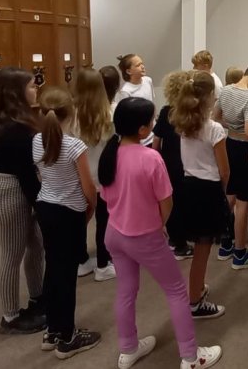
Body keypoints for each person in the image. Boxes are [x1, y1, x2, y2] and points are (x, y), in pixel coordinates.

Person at [99, 97, 224, 369]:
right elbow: (166, 202)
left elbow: (106, 197)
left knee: (125, 290)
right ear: (142, 129)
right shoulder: (150, 158)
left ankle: (128, 348)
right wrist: (159, 226)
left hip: (114, 234)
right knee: (176, 291)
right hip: (145, 236)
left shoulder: (110, 153)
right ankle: (191, 356)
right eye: (152, 120)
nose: (155, 123)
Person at [0, 67, 47, 335]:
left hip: (4, 188)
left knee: (36, 244)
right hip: (5, 194)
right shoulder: (16, 129)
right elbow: (27, 175)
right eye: (31, 86)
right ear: (17, 93)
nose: (36, 90)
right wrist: (42, 207)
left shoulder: (12, 121)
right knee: (11, 254)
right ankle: (11, 317)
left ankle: (38, 298)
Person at [32, 87, 101, 359]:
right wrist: (91, 207)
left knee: (53, 267)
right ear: (71, 113)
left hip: (46, 208)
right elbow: (88, 187)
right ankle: (68, 336)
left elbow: (42, 175)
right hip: (69, 212)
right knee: (67, 274)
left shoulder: (36, 141)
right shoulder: (74, 146)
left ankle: (52, 330)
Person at [166, 70, 229, 320]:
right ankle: (194, 300)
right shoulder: (214, 129)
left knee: (199, 247)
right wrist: (223, 191)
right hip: (208, 189)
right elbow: (224, 170)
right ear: (210, 96)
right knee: (203, 250)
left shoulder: (183, 124)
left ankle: (197, 287)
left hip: (188, 186)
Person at [214, 62, 248, 269]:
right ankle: (240, 253)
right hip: (244, 150)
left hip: (229, 145)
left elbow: (216, 117)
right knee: (243, 203)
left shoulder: (226, 90)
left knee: (229, 196)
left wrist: (232, 127)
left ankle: (225, 244)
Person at [71, 67, 116, 282]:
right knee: (104, 221)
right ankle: (103, 264)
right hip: (104, 177)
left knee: (79, 219)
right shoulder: (109, 114)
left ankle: (81, 261)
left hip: (79, 177)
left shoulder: (71, 115)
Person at [154, 72, 193, 261]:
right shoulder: (190, 113)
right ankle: (181, 244)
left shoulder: (165, 112)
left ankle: (175, 239)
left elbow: (156, 142)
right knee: (184, 202)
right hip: (187, 162)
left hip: (168, 163)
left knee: (171, 201)